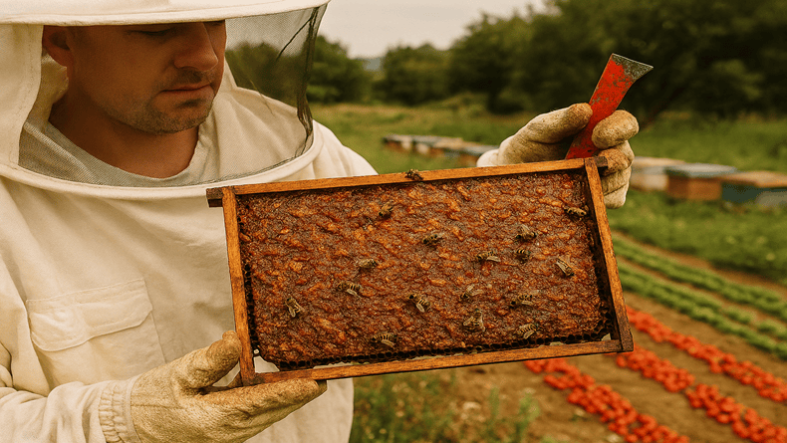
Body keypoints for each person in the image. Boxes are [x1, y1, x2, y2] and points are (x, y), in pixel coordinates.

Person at [0, 1, 638, 442]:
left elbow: (411, 250)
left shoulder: (288, 144)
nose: (200, 57)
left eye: (214, 22)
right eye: (154, 31)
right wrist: (125, 424)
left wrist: (513, 192)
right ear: (59, 36)